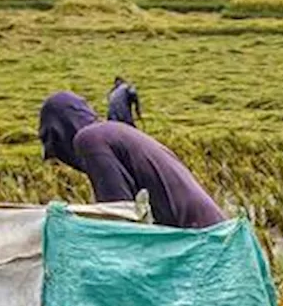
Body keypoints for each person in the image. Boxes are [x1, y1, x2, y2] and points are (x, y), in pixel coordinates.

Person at [38, 91, 225, 228]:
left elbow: (118, 215)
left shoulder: (89, 139)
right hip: (211, 229)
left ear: (60, 134)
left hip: (197, 235)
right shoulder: (113, 133)